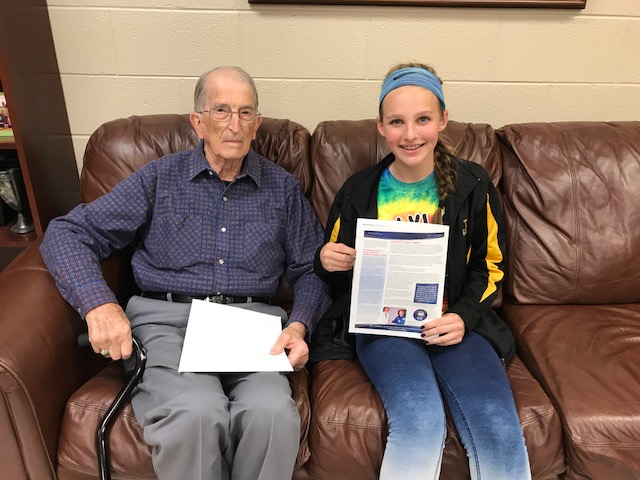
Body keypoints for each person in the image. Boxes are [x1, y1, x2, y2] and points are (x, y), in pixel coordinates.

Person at [40, 66, 331, 480]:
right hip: (167, 323)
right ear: (198, 122)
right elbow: (68, 232)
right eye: (221, 110)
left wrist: (299, 326)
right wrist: (99, 305)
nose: (234, 125)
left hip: (251, 328)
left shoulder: (282, 189)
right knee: (196, 412)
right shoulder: (160, 178)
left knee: (273, 414)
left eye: (245, 112)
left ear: (257, 123)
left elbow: (313, 268)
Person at [312, 63, 531, 479]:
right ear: (381, 127)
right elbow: (336, 274)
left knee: (499, 429)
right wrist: (327, 261)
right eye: (397, 122)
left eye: (423, 119)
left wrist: (463, 316)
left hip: (455, 324)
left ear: (443, 120)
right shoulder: (358, 191)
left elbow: (492, 265)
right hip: (385, 327)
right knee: (420, 424)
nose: (410, 134)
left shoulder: (472, 184)